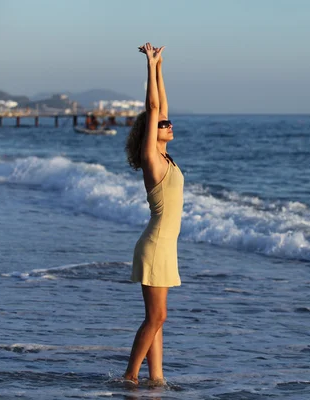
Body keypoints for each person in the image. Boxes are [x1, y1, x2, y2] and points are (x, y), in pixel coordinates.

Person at [123, 42, 183, 386]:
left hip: (164, 245)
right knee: (157, 316)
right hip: (156, 245)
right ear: (151, 131)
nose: (169, 125)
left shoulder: (167, 157)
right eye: (164, 124)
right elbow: (153, 106)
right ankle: (130, 376)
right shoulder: (152, 158)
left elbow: (162, 104)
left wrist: (160, 67)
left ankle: (156, 378)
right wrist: (148, 65)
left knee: (156, 318)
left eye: (169, 122)